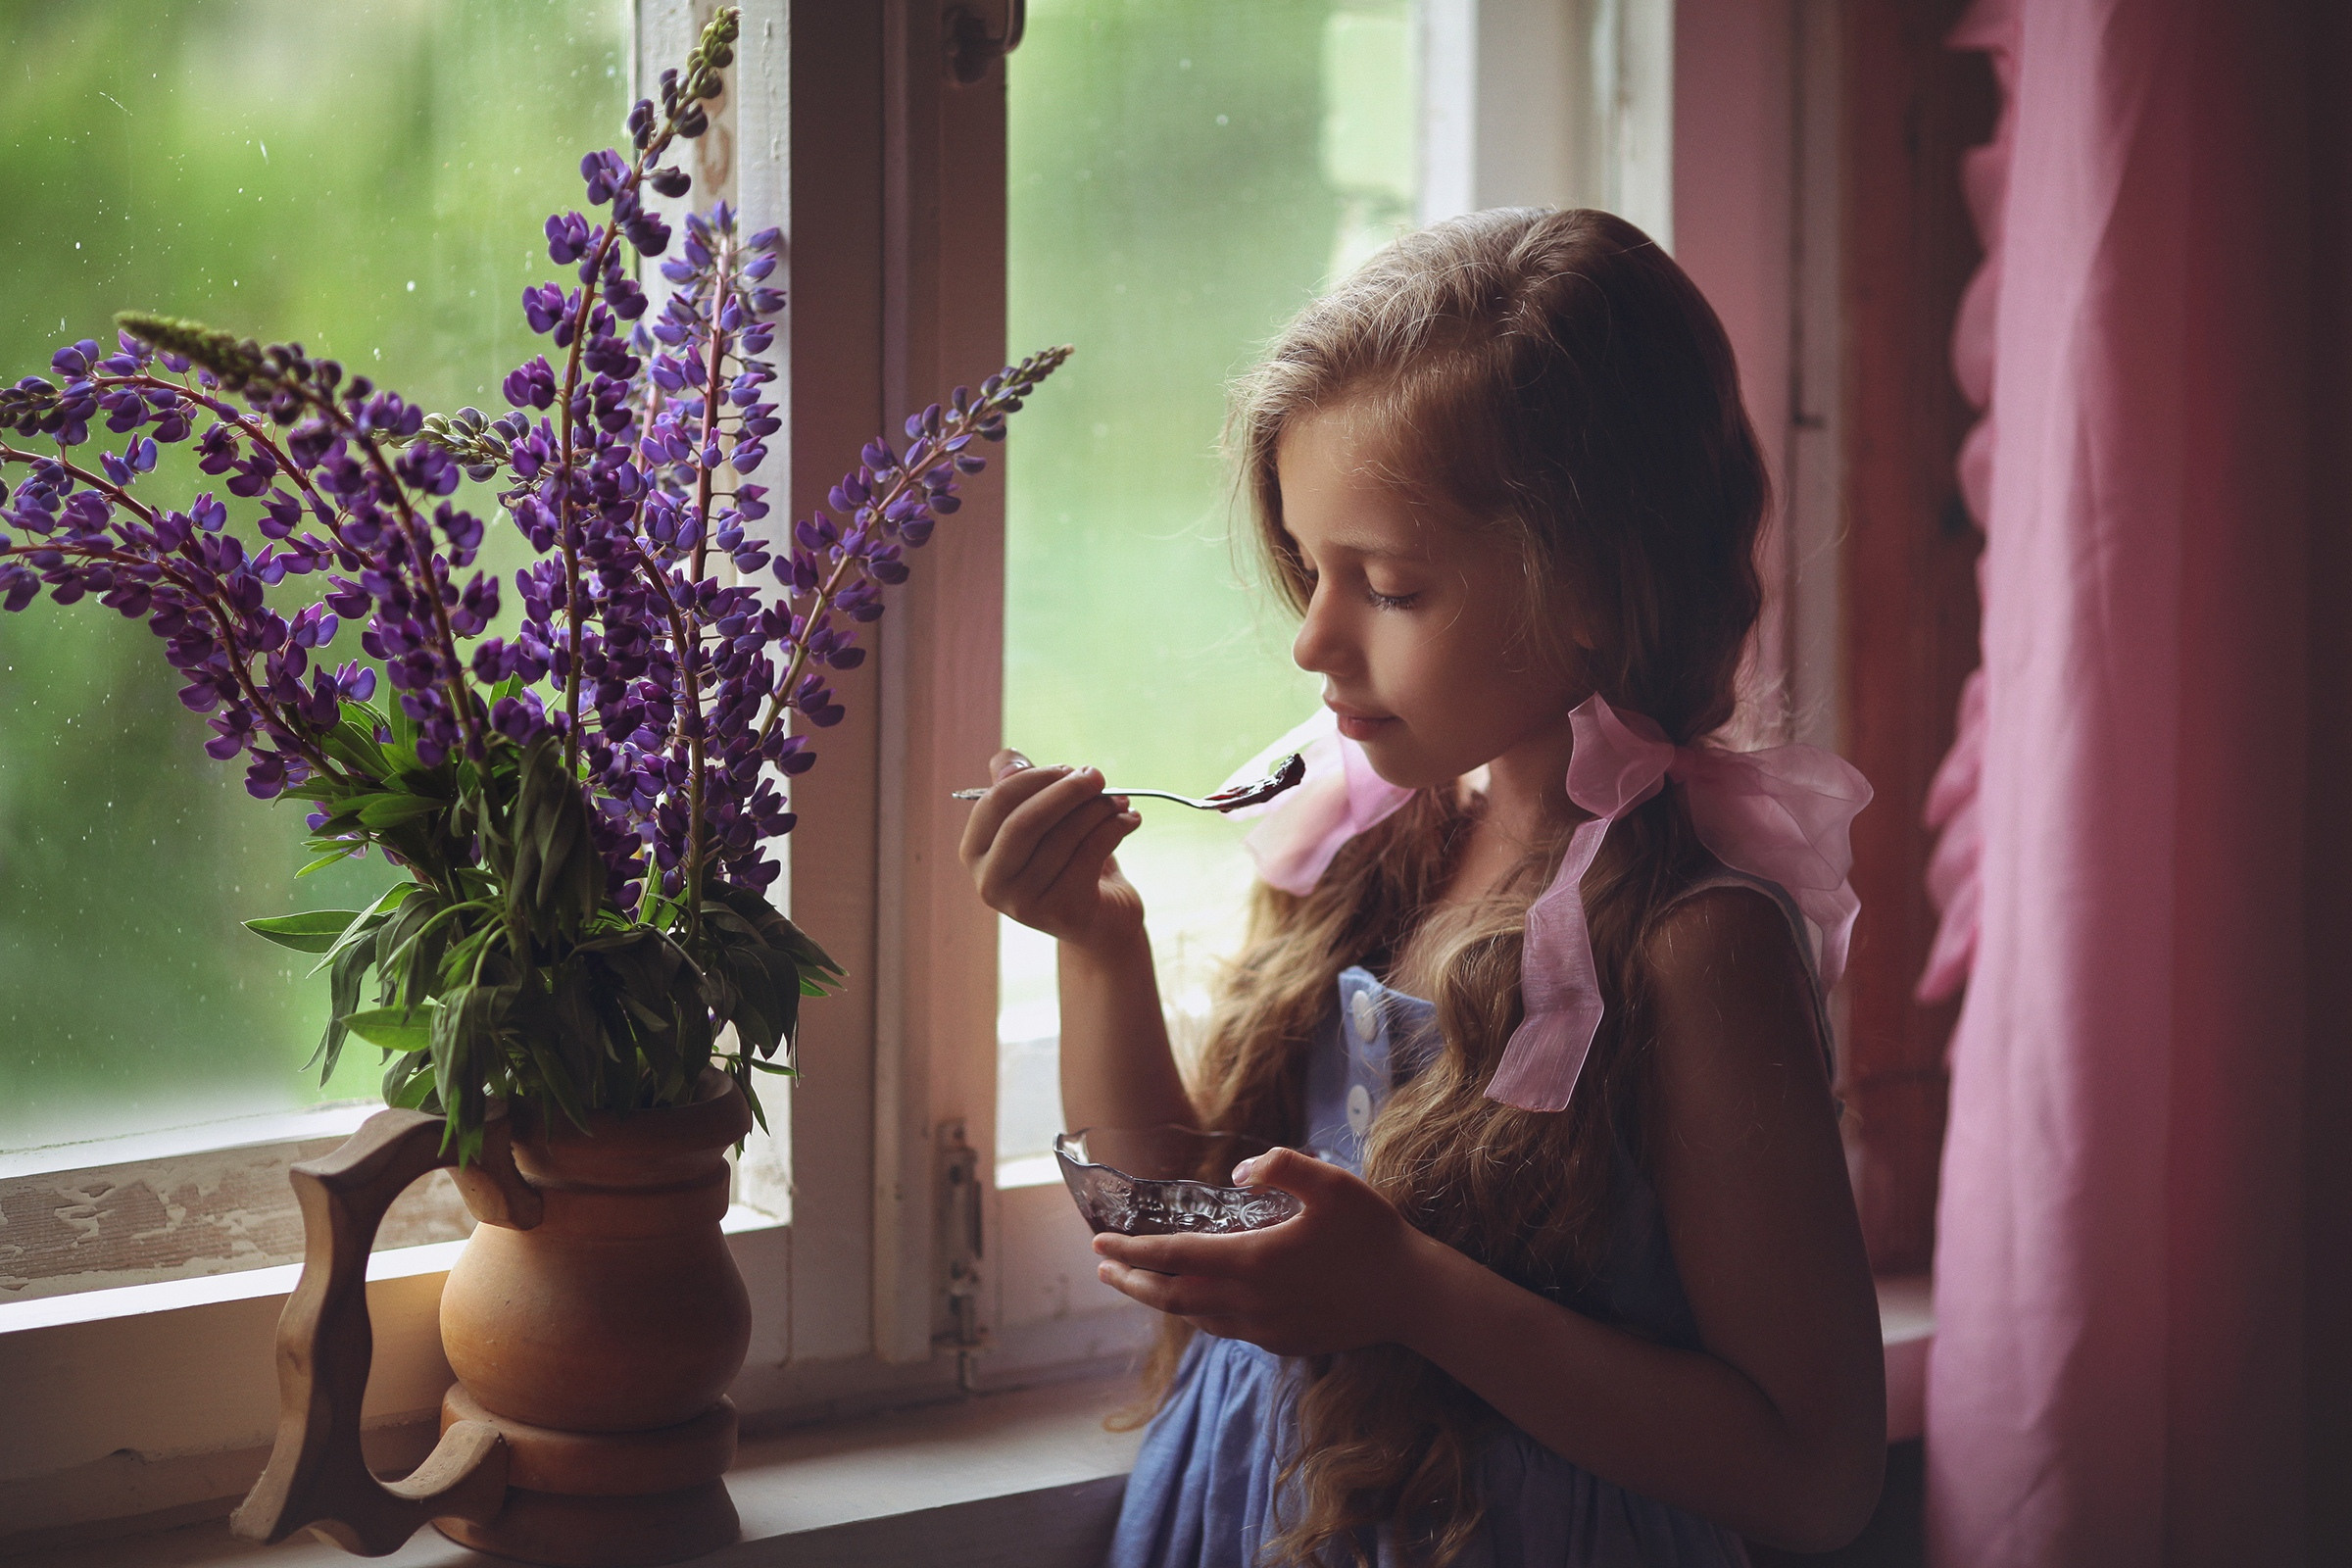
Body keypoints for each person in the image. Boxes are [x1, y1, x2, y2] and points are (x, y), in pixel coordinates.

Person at [959, 208, 1886, 1568]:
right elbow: (1185, 1232)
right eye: (1307, 567)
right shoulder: (1371, 847)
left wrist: (1409, 1294)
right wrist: (1095, 938)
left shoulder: (1694, 945)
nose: (1312, 640)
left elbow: (1816, 1477)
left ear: (1594, 587)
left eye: (1387, 587)